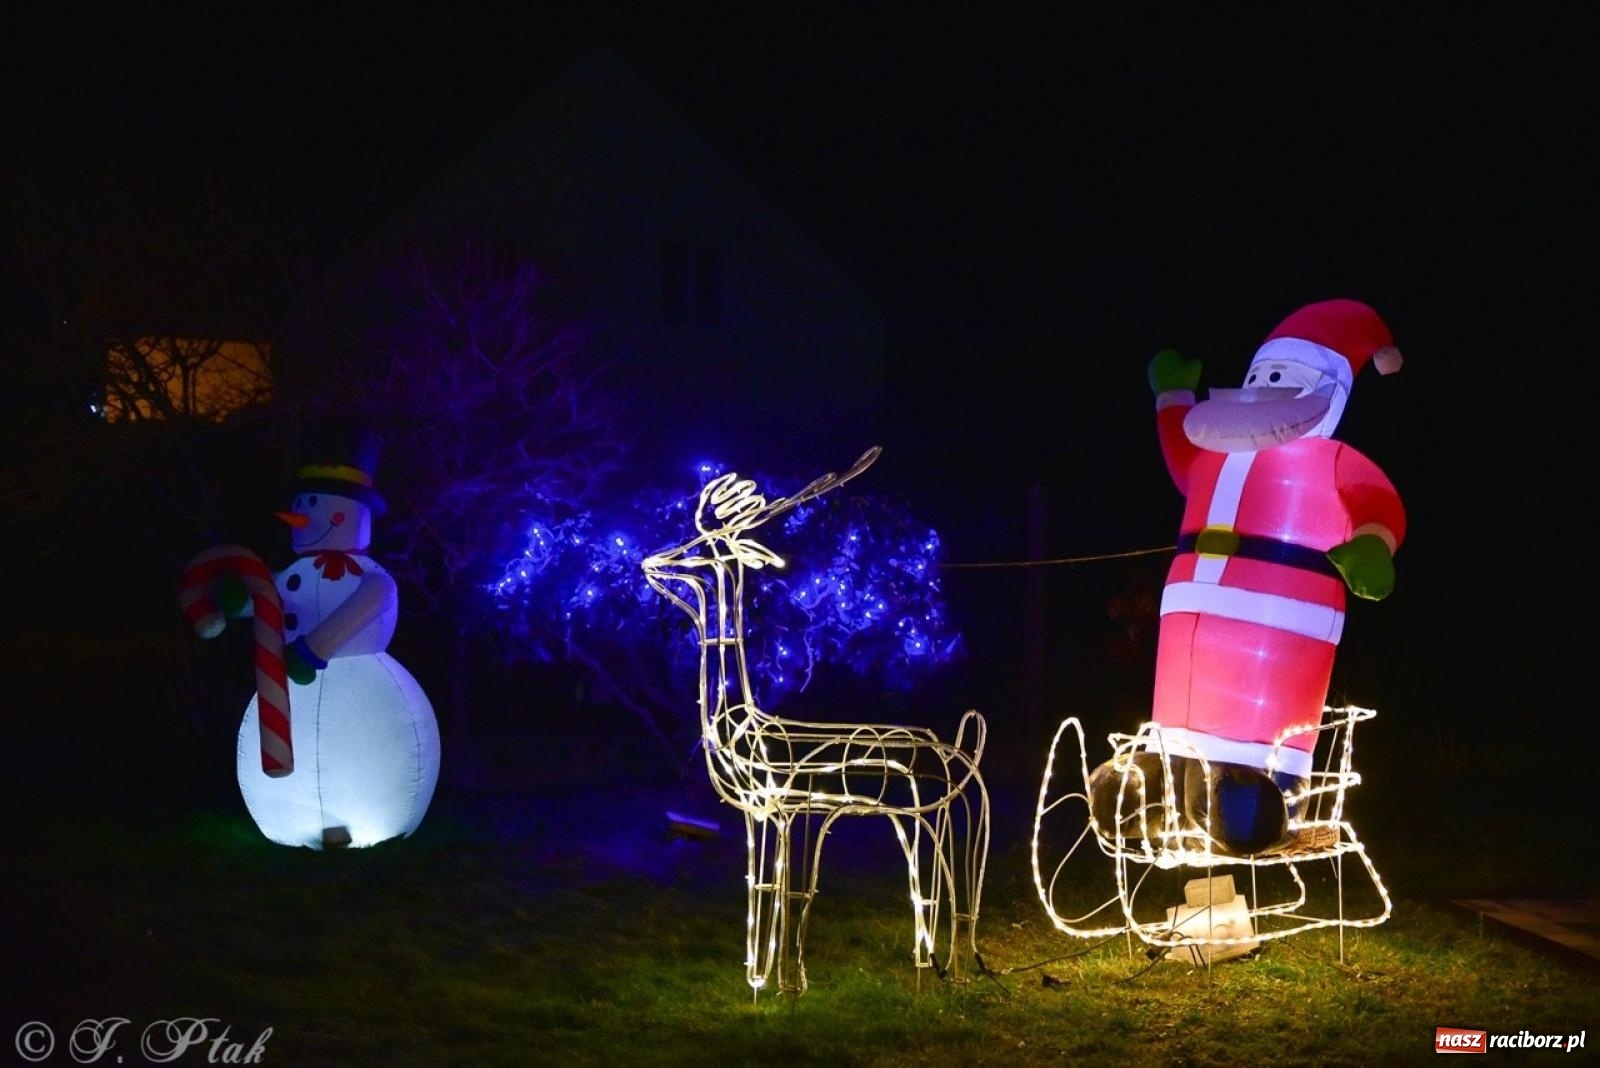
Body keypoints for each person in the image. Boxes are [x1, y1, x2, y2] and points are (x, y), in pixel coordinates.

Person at [1090, 298, 1405, 855]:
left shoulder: (1330, 461)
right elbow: (1181, 456)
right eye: (1262, 373)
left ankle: (1260, 795)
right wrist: (1173, 399)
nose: (1265, 387)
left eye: (1283, 376)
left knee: (1256, 733)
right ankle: (1156, 781)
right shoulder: (1215, 454)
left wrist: (1374, 545)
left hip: (1281, 623)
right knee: (1182, 717)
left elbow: (1378, 502)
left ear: (1328, 391)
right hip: (1190, 614)